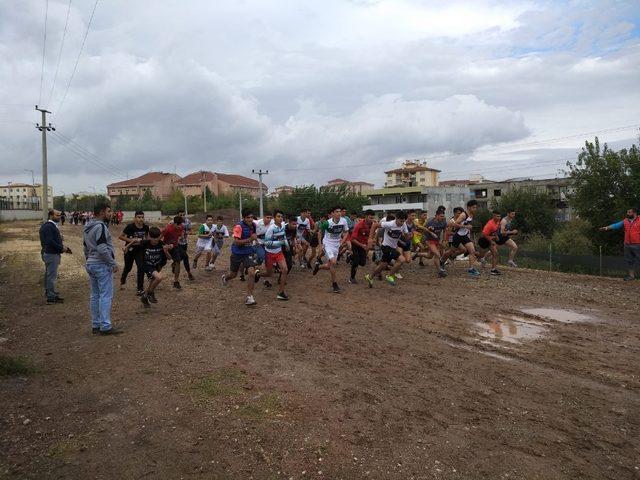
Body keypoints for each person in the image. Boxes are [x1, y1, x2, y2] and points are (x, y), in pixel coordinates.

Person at [83, 203, 120, 335]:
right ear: (102, 212)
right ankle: (105, 326)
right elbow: (102, 248)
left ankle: (96, 324)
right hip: (101, 265)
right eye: (109, 211)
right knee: (105, 295)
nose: (111, 214)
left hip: (91, 264)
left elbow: (85, 247)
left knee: (95, 295)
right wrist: (112, 263)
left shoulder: (87, 227)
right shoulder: (101, 227)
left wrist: (88, 260)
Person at [221, 209, 259, 305]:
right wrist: (250, 239)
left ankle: (249, 297)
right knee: (233, 275)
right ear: (243, 218)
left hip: (248, 254)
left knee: (251, 273)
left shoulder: (254, 225)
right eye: (248, 218)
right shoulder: (238, 227)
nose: (250, 219)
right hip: (237, 254)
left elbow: (253, 237)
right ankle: (225, 278)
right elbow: (237, 242)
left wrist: (256, 243)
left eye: (251, 217)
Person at [364, 211, 409, 287]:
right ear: (396, 219)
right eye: (400, 221)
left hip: (393, 247)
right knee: (401, 260)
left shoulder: (403, 224)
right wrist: (370, 238)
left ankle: (370, 276)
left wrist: (408, 236)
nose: (402, 223)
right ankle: (389, 276)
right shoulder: (390, 224)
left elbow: (406, 235)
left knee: (383, 265)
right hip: (386, 247)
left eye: (403, 221)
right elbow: (375, 225)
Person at [133, 227, 173, 308]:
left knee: (152, 283)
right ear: (149, 237)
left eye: (157, 238)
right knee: (159, 278)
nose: (155, 240)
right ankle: (150, 293)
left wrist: (166, 251)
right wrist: (127, 247)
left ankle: (145, 297)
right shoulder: (145, 243)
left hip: (157, 266)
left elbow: (169, 258)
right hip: (147, 266)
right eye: (153, 238)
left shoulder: (161, 244)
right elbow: (135, 241)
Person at [39, 209, 72, 304]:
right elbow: (50, 241)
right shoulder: (49, 226)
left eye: (59, 215)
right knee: (51, 276)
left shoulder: (50, 225)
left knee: (49, 275)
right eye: (57, 215)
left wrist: (60, 240)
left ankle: (50, 292)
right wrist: (62, 248)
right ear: (51, 216)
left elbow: (51, 239)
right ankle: (51, 297)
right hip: (51, 254)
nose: (59, 217)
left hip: (51, 253)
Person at [313, 206, 349, 293]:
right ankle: (334, 284)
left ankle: (319, 266)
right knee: (333, 262)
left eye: (340, 211)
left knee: (330, 265)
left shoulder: (344, 221)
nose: (339, 213)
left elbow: (346, 232)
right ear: (332, 214)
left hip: (337, 244)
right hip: (328, 243)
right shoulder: (327, 223)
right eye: (336, 212)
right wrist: (321, 245)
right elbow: (320, 233)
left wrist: (342, 241)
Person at [441, 200, 481, 277]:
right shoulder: (463, 215)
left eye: (476, 207)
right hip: (458, 236)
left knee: (472, 251)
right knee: (451, 251)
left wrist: (469, 228)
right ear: (469, 207)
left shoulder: (471, 214)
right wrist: (466, 227)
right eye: (473, 207)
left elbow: (467, 224)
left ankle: (471, 269)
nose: (475, 209)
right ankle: (442, 261)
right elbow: (455, 224)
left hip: (464, 236)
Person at [600, 207, 640, 281]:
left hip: (638, 244)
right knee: (629, 260)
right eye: (627, 212)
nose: (627, 214)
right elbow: (616, 225)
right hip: (627, 244)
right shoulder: (625, 221)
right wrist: (606, 228)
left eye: (629, 212)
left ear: (634, 213)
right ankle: (631, 276)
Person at [118, 210, 149, 295]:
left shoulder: (146, 227)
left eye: (142, 217)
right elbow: (120, 236)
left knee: (141, 267)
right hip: (130, 249)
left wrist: (144, 242)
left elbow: (147, 238)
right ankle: (123, 278)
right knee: (128, 267)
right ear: (135, 218)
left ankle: (140, 288)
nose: (141, 219)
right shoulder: (130, 227)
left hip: (140, 250)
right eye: (139, 217)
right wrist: (131, 240)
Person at [263, 210, 290, 300]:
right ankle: (258, 275)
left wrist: (286, 245)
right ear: (274, 218)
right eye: (278, 216)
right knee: (269, 274)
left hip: (278, 252)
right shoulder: (271, 229)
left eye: (281, 216)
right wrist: (279, 243)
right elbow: (266, 243)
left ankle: (281, 292)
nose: (280, 218)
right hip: (269, 253)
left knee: (285, 270)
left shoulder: (282, 225)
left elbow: (283, 236)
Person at [349, 210, 375, 284]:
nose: (371, 220)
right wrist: (362, 245)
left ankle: (350, 256)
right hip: (356, 244)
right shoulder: (359, 225)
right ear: (366, 216)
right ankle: (352, 278)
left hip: (364, 246)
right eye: (370, 218)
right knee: (356, 261)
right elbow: (352, 239)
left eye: (372, 218)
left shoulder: (373, 225)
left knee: (363, 263)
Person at [162, 215, 185, 289]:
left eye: (180, 224)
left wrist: (179, 238)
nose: (179, 226)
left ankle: (176, 281)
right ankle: (153, 276)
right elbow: (159, 238)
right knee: (162, 263)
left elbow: (181, 234)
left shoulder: (181, 227)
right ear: (174, 223)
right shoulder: (167, 229)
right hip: (166, 246)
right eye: (178, 225)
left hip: (175, 246)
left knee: (178, 261)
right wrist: (165, 246)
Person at [477, 210, 502, 275]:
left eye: (500, 216)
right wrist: (491, 241)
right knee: (479, 255)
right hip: (483, 240)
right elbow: (484, 234)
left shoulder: (498, 222)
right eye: (497, 216)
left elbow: (495, 230)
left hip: (490, 240)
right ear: (493, 216)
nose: (499, 218)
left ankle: (493, 269)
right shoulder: (490, 224)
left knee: (495, 253)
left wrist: (496, 236)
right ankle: (476, 255)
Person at [176, 210, 195, 281]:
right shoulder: (174, 222)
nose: (182, 216)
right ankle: (189, 273)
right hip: (177, 243)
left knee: (181, 258)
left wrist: (187, 232)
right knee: (185, 257)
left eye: (183, 215)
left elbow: (190, 229)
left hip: (184, 242)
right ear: (178, 215)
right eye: (180, 215)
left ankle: (174, 264)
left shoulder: (188, 221)